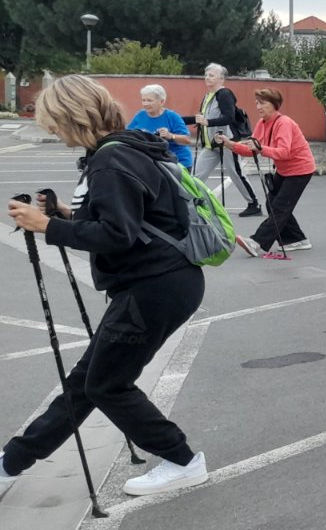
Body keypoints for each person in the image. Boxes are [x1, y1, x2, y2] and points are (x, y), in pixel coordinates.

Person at [2, 75, 209, 499]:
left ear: (71, 116)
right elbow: (125, 221)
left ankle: (184, 461)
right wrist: (62, 212)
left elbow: (118, 234)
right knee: (88, 382)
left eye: (53, 122)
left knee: (104, 385)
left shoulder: (112, 160)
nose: (52, 131)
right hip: (160, 283)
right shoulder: (119, 149)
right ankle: (10, 464)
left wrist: (49, 226)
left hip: (153, 288)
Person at [222, 88, 316, 259]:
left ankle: (256, 242)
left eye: (263, 103)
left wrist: (260, 148)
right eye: (257, 103)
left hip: (300, 168)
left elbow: (283, 152)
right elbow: (252, 149)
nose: (258, 107)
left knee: (280, 207)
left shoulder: (284, 123)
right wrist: (230, 145)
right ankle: (297, 239)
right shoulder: (262, 123)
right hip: (284, 169)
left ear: (274, 105)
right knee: (273, 204)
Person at [192, 63, 261, 216]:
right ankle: (194, 202)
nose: (207, 78)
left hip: (228, 141)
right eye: (206, 75)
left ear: (221, 79)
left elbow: (228, 118)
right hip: (211, 144)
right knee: (196, 175)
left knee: (235, 173)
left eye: (211, 75)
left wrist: (208, 122)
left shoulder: (224, 94)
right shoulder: (207, 96)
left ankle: (253, 203)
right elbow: (203, 119)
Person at [127, 83, 193, 171]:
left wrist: (171, 136)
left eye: (150, 100)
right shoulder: (140, 116)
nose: (145, 104)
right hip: (153, 161)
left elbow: (187, 140)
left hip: (178, 162)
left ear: (161, 102)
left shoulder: (172, 117)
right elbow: (128, 134)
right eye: (143, 100)